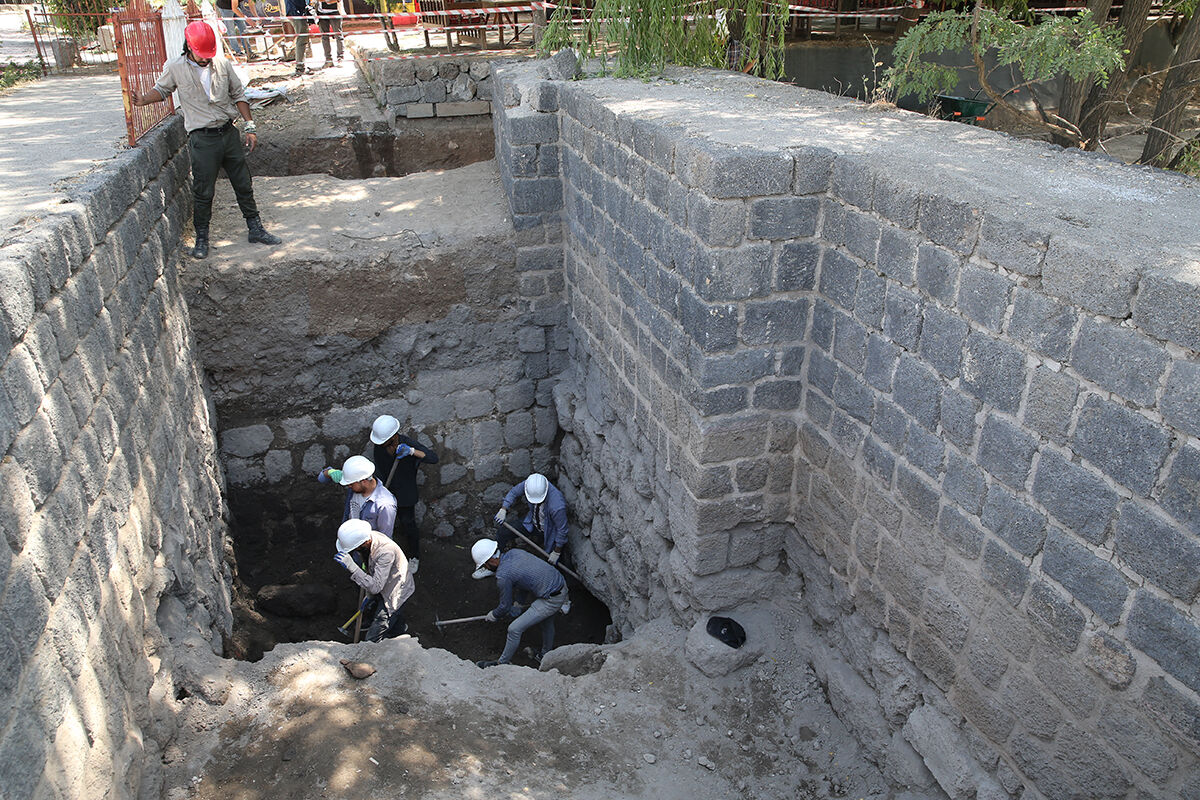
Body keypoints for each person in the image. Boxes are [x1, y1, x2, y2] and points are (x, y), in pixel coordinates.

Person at [129, 21, 282, 260]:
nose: (205, 59)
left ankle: (255, 228)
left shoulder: (221, 63)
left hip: (228, 133)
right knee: (203, 191)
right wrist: (142, 101)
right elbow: (161, 91)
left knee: (243, 184)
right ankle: (202, 238)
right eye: (201, 55)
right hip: (202, 139)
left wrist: (250, 126)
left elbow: (238, 94)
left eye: (208, 55)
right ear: (189, 47)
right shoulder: (175, 67)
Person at [471, 538, 568, 668]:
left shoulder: (503, 576)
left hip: (551, 599)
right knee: (546, 622)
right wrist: (519, 603)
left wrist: (494, 615)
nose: (486, 568)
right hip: (559, 584)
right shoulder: (514, 553)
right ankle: (545, 656)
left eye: (485, 565)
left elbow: (504, 606)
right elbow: (524, 580)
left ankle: (502, 664)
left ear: (492, 561)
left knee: (514, 629)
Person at [370, 415, 438, 574]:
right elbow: (380, 467)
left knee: (408, 523)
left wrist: (412, 452)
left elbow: (433, 458)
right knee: (385, 525)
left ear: (393, 436)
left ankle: (414, 556)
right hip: (387, 491)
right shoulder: (379, 446)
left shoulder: (407, 443)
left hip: (405, 493)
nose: (380, 444)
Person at [334, 519, 414, 642]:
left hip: (394, 591)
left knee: (372, 639)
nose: (354, 551)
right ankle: (399, 631)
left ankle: (394, 637)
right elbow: (371, 570)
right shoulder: (368, 540)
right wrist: (369, 593)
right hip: (384, 582)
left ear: (364, 543)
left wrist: (353, 568)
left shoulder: (385, 551)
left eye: (355, 548)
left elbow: (376, 587)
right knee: (394, 620)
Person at [493, 472, 568, 563]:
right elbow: (514, 492)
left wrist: (557, 551)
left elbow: (562, 530)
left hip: (548, 531)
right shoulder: (530, 485)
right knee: (503, 532)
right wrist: (504, 508)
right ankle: (495, 559)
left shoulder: (557, 505)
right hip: (531, 523)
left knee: (551, 562)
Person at [330, 454, 397, 540]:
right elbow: (322, 477)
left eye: (351, 484)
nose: (348, 486)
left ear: (364, 481)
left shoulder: (385, 505)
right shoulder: (354, 490)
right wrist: (329, 472)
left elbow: (385, 540)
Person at [285, 0, 313, 75]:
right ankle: (300, 67)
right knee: (302, 39)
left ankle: (301, 65)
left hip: (296, 12)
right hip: (296, 12)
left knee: (302, 38)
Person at [314, 0, 344, 68]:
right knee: (324, 37)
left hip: (335, 11)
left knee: (338, 35)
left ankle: (340, 58)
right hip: (321, 12)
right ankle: (328, 60)